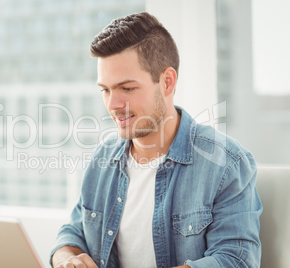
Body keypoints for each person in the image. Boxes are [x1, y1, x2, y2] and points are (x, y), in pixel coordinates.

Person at [50, 12, 262, 268]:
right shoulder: (102, 160)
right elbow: (73, 233)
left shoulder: (225, 163)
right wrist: (66, 260)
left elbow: (236, 260)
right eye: (105, 90)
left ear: (167, 82)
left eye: (127, 88)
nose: (112, 104)